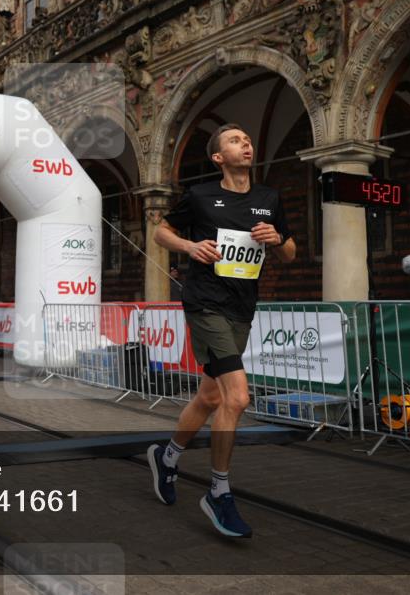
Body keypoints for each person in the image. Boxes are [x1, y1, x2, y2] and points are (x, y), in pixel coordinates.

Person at [147, 123, 295, 539]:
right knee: (238, 397)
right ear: (218, 157)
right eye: (235, 140)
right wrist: (190, 247)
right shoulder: (200, 196)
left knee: (210, 396)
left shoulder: (268, 199)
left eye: (247, 139)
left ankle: (167, 457)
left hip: (241, 308)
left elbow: (289, 252)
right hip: (205, 303)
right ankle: (218, 491)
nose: (245, 143)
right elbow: (161, 231)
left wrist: (276, 238)